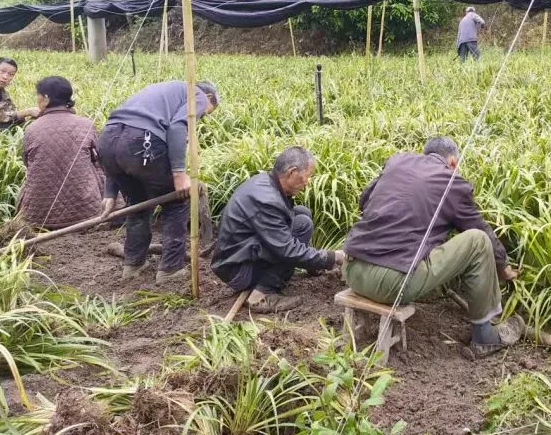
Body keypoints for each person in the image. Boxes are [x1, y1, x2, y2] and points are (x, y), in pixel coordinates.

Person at [342, 136, 524, 359]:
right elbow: (479, 228)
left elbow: (364, 201)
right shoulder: (451, 182)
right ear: (453, 162)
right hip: (391, 285)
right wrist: (503, 267)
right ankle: (484, 336)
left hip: (352, 270)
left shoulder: (397, 162)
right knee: (478, 241)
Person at [96, 80, 219, 284]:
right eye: (204, 114)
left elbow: (121, 137)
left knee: (138, 203)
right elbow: (178, 126)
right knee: (177, 200)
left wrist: (110, 193)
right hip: (141, 142)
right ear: (209, 98)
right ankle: (170, 269)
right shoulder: (197, 94)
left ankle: (133, 265)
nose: (200, 118)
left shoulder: (161, 92)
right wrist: (179, 174)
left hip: (107, 140)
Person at [212, 146, 344, 312]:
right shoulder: (267, 201)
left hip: (240, 252)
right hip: (237, 270)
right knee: (297, 234)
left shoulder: (267, 181)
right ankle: (262, 294)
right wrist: (332, 258)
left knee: (302, 215)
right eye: (307, 176)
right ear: (292, 172)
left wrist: (315, 262)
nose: (307, 182)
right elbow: (287, 249)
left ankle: (309, 266)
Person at [19, 76, 106, 229]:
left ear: (45, 99)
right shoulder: (86, 124)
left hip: (39, 216)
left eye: (38, 95)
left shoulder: (32, 128)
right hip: (87, 211)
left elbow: (27, 162)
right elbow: (98, 159)